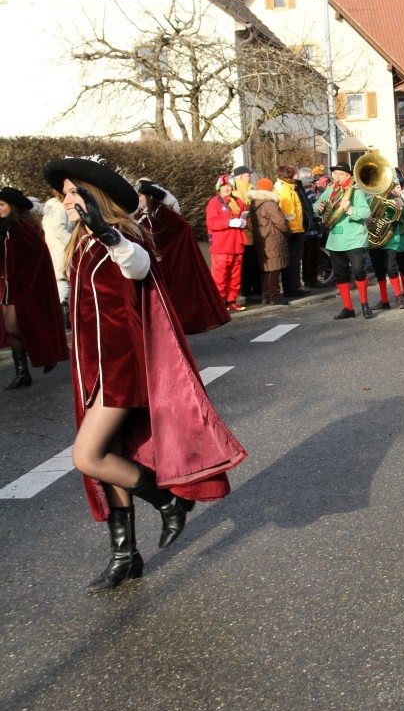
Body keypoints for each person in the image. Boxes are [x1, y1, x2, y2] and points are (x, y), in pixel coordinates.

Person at [42, 156, 247, 593]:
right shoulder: (78, 242)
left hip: (124, 365)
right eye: (64, 192)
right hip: (92, 367)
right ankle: (124, 556)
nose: (66, 199)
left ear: (96, 197)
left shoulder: (124, 236)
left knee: (88, 455)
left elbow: (138, 266)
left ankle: (167, 498)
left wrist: (106, 231)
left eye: (74, 191)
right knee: (107, 457)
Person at [137, 180, 230, 333]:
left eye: (141, 195)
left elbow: (180, 227)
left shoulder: (162, 213)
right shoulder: (138, 215)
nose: (138, 199)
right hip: (147, 266)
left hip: (165, 266)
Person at [1, 187, 69, 389]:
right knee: (10, 329)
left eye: (2, 205)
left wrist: (25, 283)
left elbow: (34, 261)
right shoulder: (4, 228)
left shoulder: (23, 230)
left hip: (22, 287)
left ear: (13, 207)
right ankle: (22, 373)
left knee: (12, 325)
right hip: (6, 285)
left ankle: (44, 350)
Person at [313, 162, 372, 319]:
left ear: (348, 176)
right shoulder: (331, 190)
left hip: (354, 238)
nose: (336, 177)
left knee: (359, 270)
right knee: (340, 274)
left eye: (340, 174)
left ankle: (365, 303)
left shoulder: (356, 191)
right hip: (335, 239)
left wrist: (350, 209)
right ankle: (348, 308)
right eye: (335, 174)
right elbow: (317, 205)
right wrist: (318, 207)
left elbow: (366, 212)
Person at [206, 175, 247, 313]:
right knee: (220, 276)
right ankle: (218, 303)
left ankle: (231, 301)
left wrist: (244, 223)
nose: (227, 188)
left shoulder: (239, 202)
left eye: (229, 185)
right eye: (224, 186)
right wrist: (228, 223)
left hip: (237, 244)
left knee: (235, 276)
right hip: (221, 246)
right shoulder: (214, 203)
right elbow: (211, 223)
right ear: (219, 188)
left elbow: (245, 219)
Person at [249, 178, 290, 305]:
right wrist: (288, 230)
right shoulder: (269, 204)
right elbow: (280, 222)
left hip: (261, 239)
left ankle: (265, 296)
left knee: (266, 269)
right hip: (273, 239)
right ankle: (274, 296)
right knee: (274, 269)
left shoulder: (254, 203)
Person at [42, 187, 73, 330]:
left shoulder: (50, 207)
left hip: (55, 249)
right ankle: (63, 318)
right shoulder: (59, 207)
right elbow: (58, 228)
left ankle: (62, 317)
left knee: (61, 282)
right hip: (62, 249)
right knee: (63, 282)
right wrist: (73, 244)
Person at [233, 165, 262, 303]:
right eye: (247, 174)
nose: (250, 176)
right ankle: (248, 292)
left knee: (251, 264)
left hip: (249, 235)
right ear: (240, 177)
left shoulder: (247, 188)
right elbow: (245, 214)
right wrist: (252, 227)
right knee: (248, 265)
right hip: (246, 235)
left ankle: (251, 291)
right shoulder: (239, 191)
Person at [275, 165, 305, 298]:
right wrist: (294, 229)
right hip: (292, 231)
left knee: (293, 261)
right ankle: (291, 289)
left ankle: (293, 287)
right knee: (292, 261)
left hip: (293, 229)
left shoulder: (286, 187)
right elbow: (289, 213)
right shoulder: (285, 189)